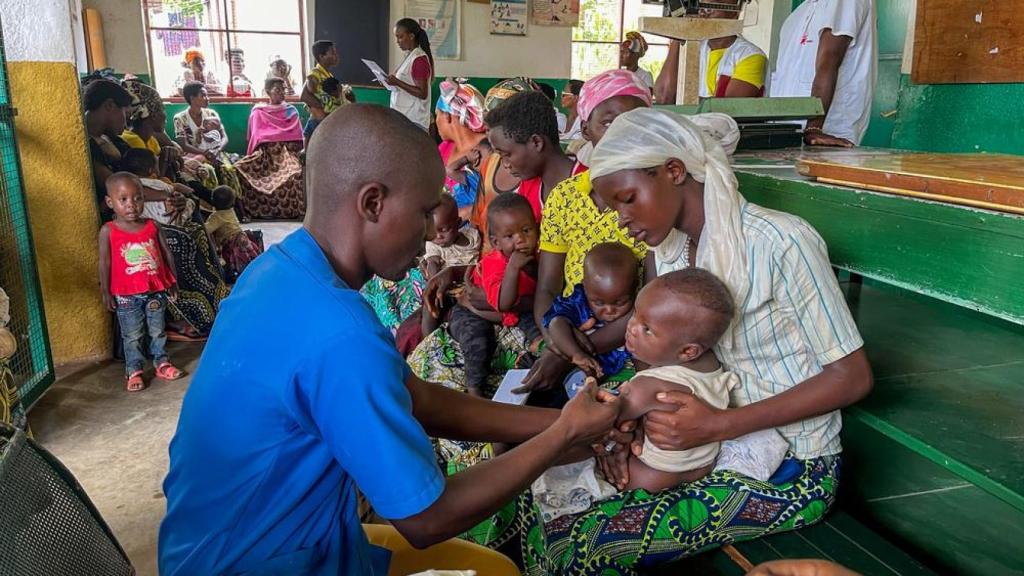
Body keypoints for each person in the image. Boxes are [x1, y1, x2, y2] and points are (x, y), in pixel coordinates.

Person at [158, 104, 621, 575]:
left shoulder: (277, 271)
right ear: (373, 203)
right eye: (423, 213)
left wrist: (558, 419)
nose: (428, 237)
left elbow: (417, 399)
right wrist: (564, 435)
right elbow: (427, 518)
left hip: (239, 547)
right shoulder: (341, 335)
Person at [514, 106, 865, 573]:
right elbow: (666, 363)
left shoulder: (782, 242)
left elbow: (851, 377)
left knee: (583, 544)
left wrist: (717, 426)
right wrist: (629, 427)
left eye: (627, 199)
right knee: (536, 497)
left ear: (674, 171)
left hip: (793, 466)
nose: (621, 220)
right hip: (700, 442)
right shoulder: (670, 251)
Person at [523, 69, 653, 393]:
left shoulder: (654, 201)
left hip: (629, 341)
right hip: (568, 328)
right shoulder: (565, 198)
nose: (623, 133)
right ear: (585, 129)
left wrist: (576, 353)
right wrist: (559, 342)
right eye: (609, 122)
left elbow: (648, 304)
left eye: (634, 122)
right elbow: (548, 288)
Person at [615, 268, 738, 492]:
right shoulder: (709, 362)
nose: (631, 328)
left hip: (651, 474)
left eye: (647, 329)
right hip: (703, 465)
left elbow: (607, 417)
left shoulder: (646, 388)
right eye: (635, 313)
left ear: (688, 351)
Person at [98, 173, 184, 392]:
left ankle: (162, 363)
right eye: (123, 199)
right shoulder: (108, 230)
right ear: (110, 203)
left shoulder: (152, 226)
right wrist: (106, 292)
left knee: (157, 330)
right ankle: (134, 370)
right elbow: (105, 263)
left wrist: (171, 281)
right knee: (133, 335)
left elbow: (166, 255)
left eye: (137, 198)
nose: (131, 205)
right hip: (126, 296)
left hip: (155, 290)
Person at [450, 193, 542, 397]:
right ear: (496, 242)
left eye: (526, 230)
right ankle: (474, 389)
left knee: (535, 319)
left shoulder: (537, 256)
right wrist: (513, 269)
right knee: (478, 340)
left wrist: (529, 267)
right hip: (472, 312)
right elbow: (504, 303)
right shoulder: (495, 265)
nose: (520, 239)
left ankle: (538, 343)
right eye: (510, 236)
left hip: (516, 310)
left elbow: (536, 291)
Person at [771, 0, 877, 146]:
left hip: (828, 132)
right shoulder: (797, 14)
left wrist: (814, 127)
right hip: (788, 133)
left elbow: (830, 58)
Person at [542, 242, 636, 380]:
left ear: (634, 288)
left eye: (619, 302)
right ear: (585, 287)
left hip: (626, 371)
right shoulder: (580, 302)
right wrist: (576, 354)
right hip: (584, 371)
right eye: (599, 303)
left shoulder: (639, 307)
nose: (609, 310)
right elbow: (556, 323)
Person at [484, 90, 577, 224]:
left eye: (506, 155)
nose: (505, 164)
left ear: (536, 142)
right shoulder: (528, 187)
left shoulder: (592, 189)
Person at [654, 1, 767, 102]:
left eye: (712, 5)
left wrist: (681, 100)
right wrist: (679, 34)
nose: (704, 12)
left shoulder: (750, 56)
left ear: (735, 13)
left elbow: (727, 109)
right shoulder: (691, 47)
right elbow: (664, 97)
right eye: (701, 5)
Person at [235, 77, 306, 220]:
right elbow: (258, 136)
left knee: (295, 172)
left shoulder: (290, 111)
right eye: (277, 90)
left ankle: (293, 212)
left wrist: (275, 137)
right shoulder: (258, 112)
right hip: (265, 154)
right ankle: (255, 212)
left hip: (287, 152)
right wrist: (274, 137)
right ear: (268, 91)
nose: (281, 93)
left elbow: (297, 135)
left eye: (283, 90)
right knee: (239, 168)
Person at [173, 81, 243, 202]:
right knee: (205, 171)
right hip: (194, 155)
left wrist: (218, 150)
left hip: (216, 152)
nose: (207, 98)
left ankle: (235, 204)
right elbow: (183, 145)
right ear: (192, 98)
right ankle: (212, 205)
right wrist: (204, 153)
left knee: (228, 169)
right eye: (203, 95)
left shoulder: (211, 114)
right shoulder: (180, 118)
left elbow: (224, 137)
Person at [435, 79, 489, 214]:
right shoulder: (444, 148)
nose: (436, 122)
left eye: (437, 116)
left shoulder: (488, 148)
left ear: (447, 116)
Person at [204, 185, 263, 282]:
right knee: (246, 257)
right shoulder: (230, 210)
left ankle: (235, 275)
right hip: (241, 236)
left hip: (232, 241)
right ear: (232, 202)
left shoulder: (216, 216)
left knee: (235, 260)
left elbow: (207, 229)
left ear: (212, 201)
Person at [388, 18, 434, 129]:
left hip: (413, 121)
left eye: (400, 37)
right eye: (396, 37)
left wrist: (397, 82)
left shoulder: (419, 59)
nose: (398, 41)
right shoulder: (410, 55)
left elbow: (423, 93)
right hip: (404, 117)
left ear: (412, 36)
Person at [301, 39, 348, 145]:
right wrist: (322, 108)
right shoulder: (316, 73)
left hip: (326, 117)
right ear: (321, 56)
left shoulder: (328, 75)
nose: (336, 55)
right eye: (332, 53)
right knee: (312, 141)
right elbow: (306, 95)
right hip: (319, 119)